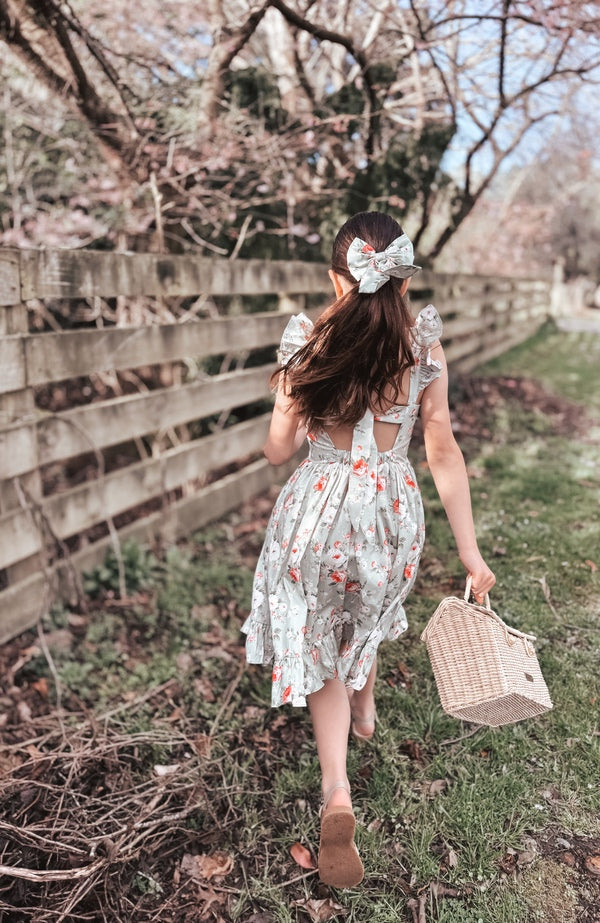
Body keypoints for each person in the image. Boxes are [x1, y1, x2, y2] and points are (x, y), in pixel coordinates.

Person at [241, 211, 496, 888]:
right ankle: (366, 705)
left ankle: (336, 790)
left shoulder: (309, 342)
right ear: (404, 281)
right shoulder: (423, 349)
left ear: (336, 277)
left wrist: (290, 412)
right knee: (369, 606)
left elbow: (276, 450)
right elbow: (440, 446)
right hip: (388, 511)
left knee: (323, 634)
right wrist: (470, 554)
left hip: (314, 515)